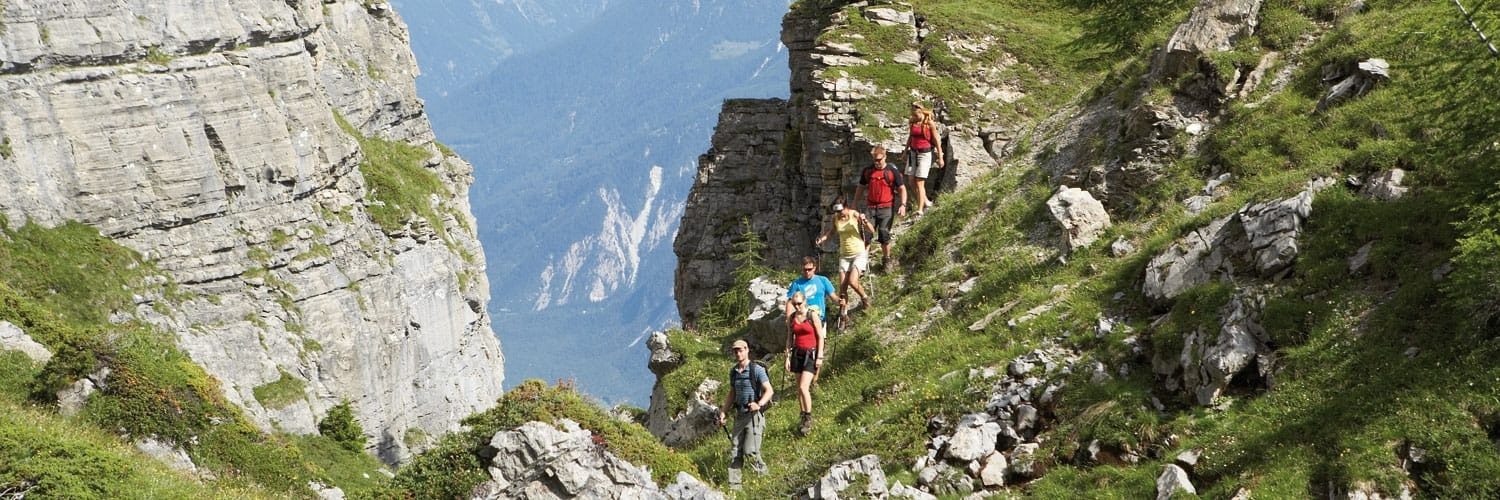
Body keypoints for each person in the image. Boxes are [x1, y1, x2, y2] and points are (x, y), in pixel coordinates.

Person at [717, 339, 772, 490]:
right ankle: (735, 489)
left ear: (747, 350)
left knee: (750, 451)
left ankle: (766, 481)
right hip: (739, 416)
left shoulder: (756, 370)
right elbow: (732, 393)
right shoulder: (734, 372)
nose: (738, 353)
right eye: (736, 351)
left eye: (741, 350)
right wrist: (723, 411)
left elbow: (769, 390)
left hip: (754, 416)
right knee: (735, 451)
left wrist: (759, 404)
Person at [815, 195, 875, 308]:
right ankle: (843, 313)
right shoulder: (836, 218)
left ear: (846, 207)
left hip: (858, 252)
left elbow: (871, 230)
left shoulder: (854, 214)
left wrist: (865, 221)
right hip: (844, 255)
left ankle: (865, 298)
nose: (839, 213)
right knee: (842, 289)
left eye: (841, 210)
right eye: (837, 211)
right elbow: (832, 231)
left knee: (853, 281)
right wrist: (823, 238)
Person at [853, 145, 907, 268]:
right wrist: (854, 203)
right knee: (865, 235)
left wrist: (903, 205)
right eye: (875, 160)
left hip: (886, 208)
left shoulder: (892, 171)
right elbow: (861, 187)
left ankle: (886, 259)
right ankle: (862, 264)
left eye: (879, 160)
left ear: (885, 156)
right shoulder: (868, 171)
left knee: (884, 233)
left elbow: (902, 188)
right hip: (871, 208)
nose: (877, 162)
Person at [783, 292, 825, 436]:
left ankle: (808, 417)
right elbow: (789, 338)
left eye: (799, 303)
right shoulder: (792, 318)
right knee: (798, 388)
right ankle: (802, 416)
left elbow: (820, 336)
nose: (797, 306)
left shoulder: (812, 315)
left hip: (811, 354)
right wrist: (787, 357)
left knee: (803, 386)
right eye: (795, 304)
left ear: (805, 301)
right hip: (797, 354)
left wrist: (820, 356)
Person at [905, 103, 944, 215]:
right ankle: (926, 202)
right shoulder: (912, 122)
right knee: (911, 181)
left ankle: (920, 209)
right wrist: (905, 151)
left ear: (921, 111)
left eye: (915, 113)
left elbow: (936, 140)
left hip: (924, 154)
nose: (914, 115)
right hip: (913, 153)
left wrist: (940, 157)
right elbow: (910, 137)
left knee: (919, 182)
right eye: (912, 113)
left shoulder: (929, 123)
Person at [786, 256, 840, 325]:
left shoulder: (823, 280)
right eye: (805, 269)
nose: (807, 272)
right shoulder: (796, 283)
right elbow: (790, 302)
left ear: (814, 268)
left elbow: (833, 297)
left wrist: (840, 301)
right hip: (802, 321)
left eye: (809, 269)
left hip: (820, 319)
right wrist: (788, 318)